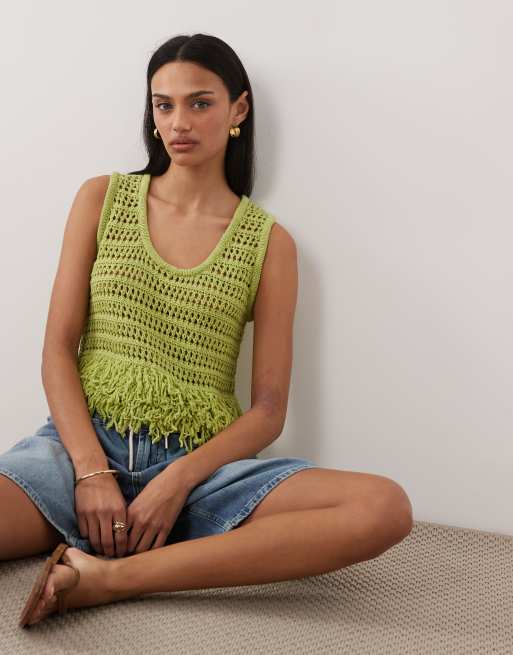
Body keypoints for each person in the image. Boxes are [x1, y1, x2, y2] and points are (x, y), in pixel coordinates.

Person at [1, 33, 413, 627]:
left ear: (238, 109)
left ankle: (112, 578)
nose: (178, 122)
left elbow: (268, 411)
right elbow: (57, 350)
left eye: (200, 103)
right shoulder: (101, 199)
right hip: (77, 453)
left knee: (384, 507)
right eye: (163, 104)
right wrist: (91, 472)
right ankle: (113, 542)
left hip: (201, 473)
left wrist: (176, 482)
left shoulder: (270, 244)